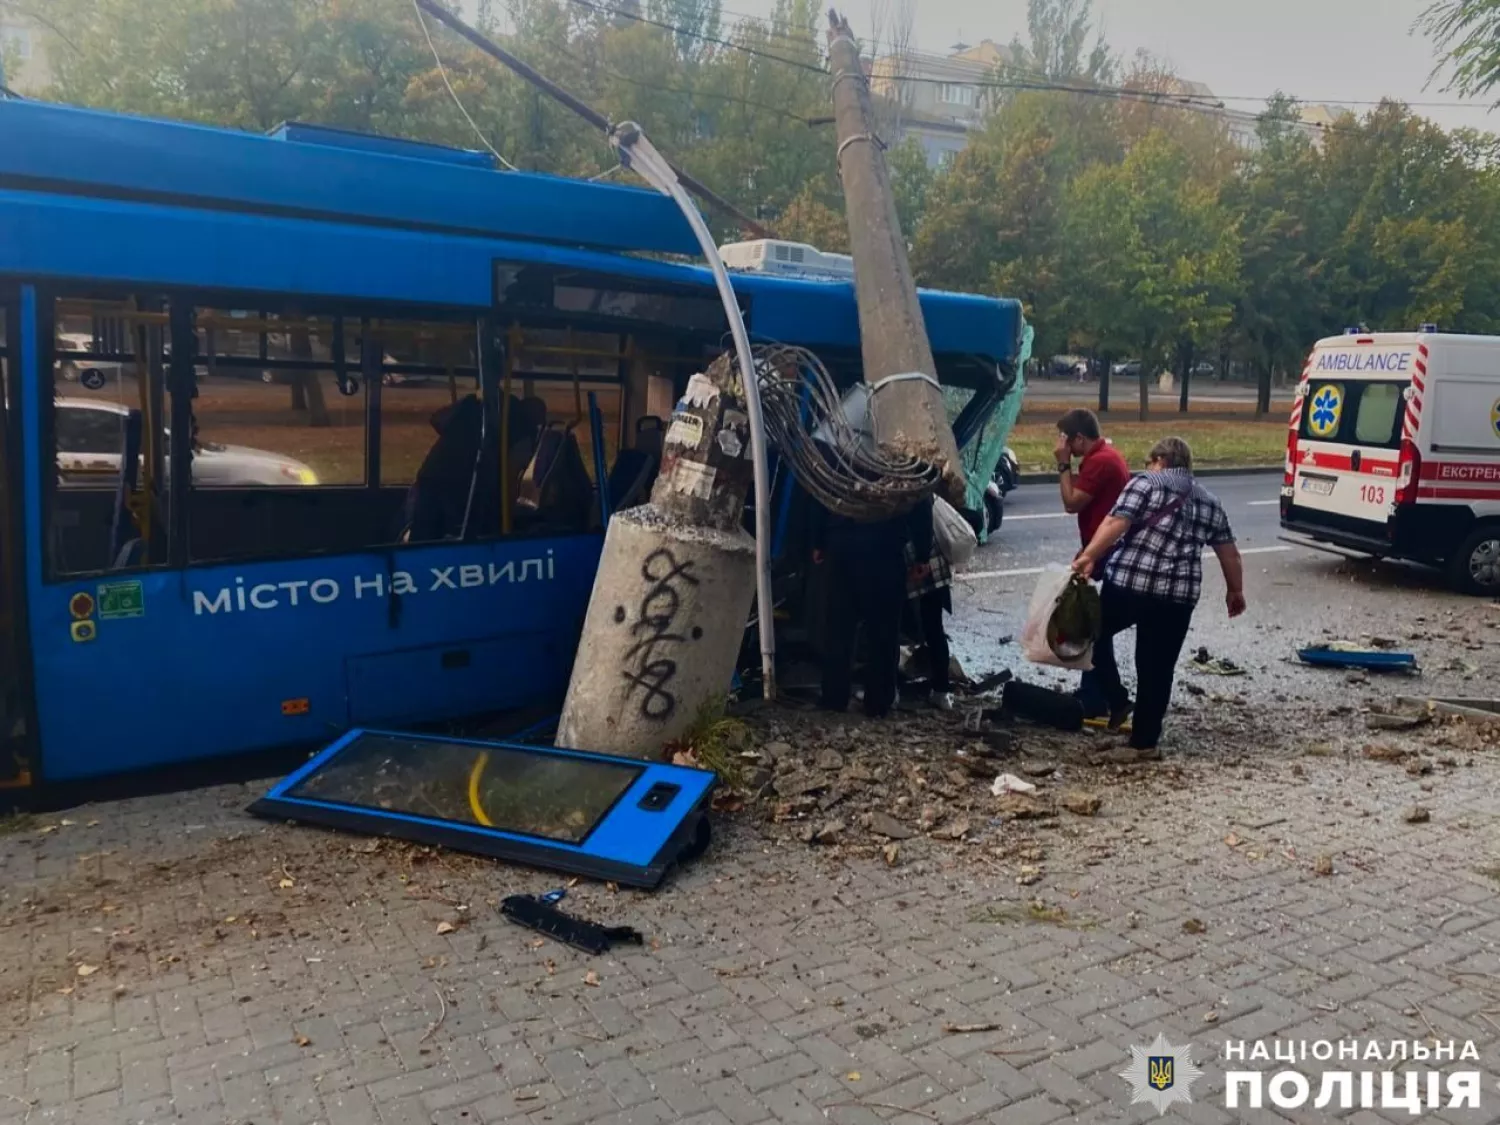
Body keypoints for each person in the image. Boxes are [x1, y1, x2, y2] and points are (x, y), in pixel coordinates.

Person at [1072, 437, 1246, 758]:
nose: (1149, 466)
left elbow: (1116, 521)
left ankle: (1116, 697)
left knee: (1089, 633)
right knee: (1157, 668)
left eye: (1150, 461)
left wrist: (1089, 556)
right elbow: (1229, 553)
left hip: (1131, 584)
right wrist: (1235, 591)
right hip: (1178, 597)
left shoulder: (1146, 483)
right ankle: (1144, 742)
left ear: (1160, 460)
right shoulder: (1209, 499)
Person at [812, 495, 930, 719]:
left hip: (842, 544)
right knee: (883, 631)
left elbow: (823, 493)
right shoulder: (904, 459)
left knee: (839, 627)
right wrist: (922, 554)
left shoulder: (840, 458)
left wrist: (819, 540)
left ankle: (834, 697)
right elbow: (919, 498)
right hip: (885, 546)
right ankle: (878, 702)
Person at [1053, 408, 1129, 720]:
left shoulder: (1100, 462)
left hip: (1104, 551)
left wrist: (1062, 464)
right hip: (1100, 548)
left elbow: (1071, 502)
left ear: (1079, 439)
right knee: (1093, 622)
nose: (1062, 445)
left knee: (1095, 626)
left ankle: (1103, 697)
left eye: (1065, 441)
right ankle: (1094, 693)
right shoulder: (1105, 456)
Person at [904, 496, 954, 711]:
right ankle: (941, 690)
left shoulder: (899, 478)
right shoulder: (924, 473)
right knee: (935, 628)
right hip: (931, 561)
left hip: (912, 560)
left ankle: (890, 690)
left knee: (893, 627)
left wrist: (921, 559)